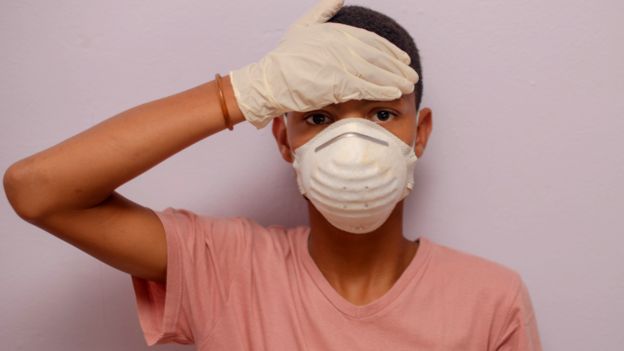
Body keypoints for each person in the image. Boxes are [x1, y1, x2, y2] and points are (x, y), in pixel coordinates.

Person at [3, 0, 542, 350]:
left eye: (381, 114)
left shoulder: (489, 300)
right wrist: (242, 92)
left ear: (418, 134)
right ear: (284, 140)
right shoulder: (228, 269)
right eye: (318, 117)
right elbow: (36, 191)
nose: (351, 145)